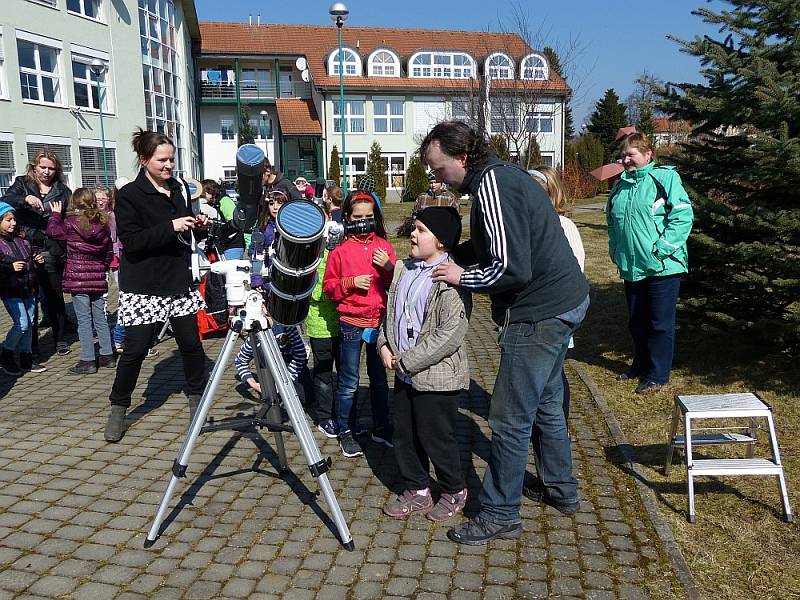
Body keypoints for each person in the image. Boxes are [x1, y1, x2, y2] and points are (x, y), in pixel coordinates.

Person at [422, 121, 590, 545]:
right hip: (565, 303)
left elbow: (509, 268)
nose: (439, 179)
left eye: (440, 169)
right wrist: (452, 253)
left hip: (539, 315)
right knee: (548, 404)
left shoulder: (493, 184)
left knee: (510, 418)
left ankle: (499, 514)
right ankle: (561, 489)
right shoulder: (503, 177)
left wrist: (461, 276)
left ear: (462, 158)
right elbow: (496, 243)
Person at [104, 129, 209, 443]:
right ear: (144, 159)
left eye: (172, 159)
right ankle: (119, 409)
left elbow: (183, 232)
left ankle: (196, 401)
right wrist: (170, 226)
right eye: (162, 160)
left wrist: (197, 227)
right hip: (144, 284)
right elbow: (132, 242)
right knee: (135, 349)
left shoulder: (177, 187)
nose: (169, 165)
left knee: (191, 345)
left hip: (178, 280)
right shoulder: (129, 195)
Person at [378, 206, 472, 522]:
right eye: (414, 228)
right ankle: (417, 488)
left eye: (420, 230)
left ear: (442, 241)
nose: (413, 235)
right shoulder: (404, 269)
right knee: (404, 433)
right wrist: (384, 345)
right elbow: (390, 313)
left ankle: (454, 489)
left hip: (436, 377)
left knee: (436, 436)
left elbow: (450, 334)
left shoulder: (451, 277)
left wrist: (406, 360)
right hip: (404, 373)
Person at [607, 132, 693, 394]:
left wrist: (661, 250)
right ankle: (641, 364)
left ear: (648, 155)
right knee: (637, 321)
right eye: (623, 155)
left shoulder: (665, 178)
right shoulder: (620, 185)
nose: (626, 159)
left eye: (631, 154)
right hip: (632, 265)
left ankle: (657, 374)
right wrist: (615, 250)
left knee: (659, 322)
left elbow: (682, 217)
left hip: (663, 266)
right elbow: (612, 221)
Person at [323, 192, 396, 458]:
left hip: (378, 323)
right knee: (349, 381)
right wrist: (350, 283)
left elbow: (395, 285)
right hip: (351, 323)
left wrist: (388, 267)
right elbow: (329, 288)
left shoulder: (384, 246)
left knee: (379, 380)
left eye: (368, 217)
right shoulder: (340, 251)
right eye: (357, 218)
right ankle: (346, 429)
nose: (364, 223)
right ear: (347, 219)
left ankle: (381, 426)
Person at [2, 150, 73, 356]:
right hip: (25, 247)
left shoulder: (62, 190)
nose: (47, 172)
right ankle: (30, 344)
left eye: (51, 168)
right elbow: (6, 200)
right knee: (29, 297)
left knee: (54, 296)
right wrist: (26, 198)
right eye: (43, 167)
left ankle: (60, 339)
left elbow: (70, 218)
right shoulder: (22, 183)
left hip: (51, 247)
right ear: (35, 167)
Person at [47, 189, 114, 375]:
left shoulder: (69, 223)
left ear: (74, 203)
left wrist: (54, 214)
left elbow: (52, 232)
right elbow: (109, 252)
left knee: (84, 320)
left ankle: (87, 359)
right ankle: (107, 356)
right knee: (100, 318)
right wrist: (101, 267)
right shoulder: (103, 223)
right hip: (97, 275)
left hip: (77, 277)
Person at [307, 200, 340, 439]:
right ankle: (325, 416)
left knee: (346, 372)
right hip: (319, 319)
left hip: (342, 317)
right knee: (323, 372)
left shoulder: (338, 244)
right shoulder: (308, 248)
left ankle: (342, 414)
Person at [0, 202, 46, 375]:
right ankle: (7, 354)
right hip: (10, 289)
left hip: (29, 287)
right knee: (22, 324)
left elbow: (30, 258)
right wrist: (9, 268)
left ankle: (26, 357)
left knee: (31, 323)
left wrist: (37, 261)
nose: (13, 223)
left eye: (14, 219)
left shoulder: (23, 240)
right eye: (8, 220)